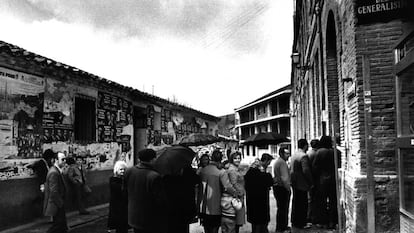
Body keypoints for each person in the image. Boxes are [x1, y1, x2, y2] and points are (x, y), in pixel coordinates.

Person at [125, 148, 167, 233]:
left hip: (133, 216)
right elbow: (160, 200)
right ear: (152, 159)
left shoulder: (129, 171)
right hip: (150, 219)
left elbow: (124, 191)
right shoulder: (154, 176)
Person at [312, 135, 340, 229]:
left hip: (322, 180)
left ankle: (323, 222)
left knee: (322, 202)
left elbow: (315, 167)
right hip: (334, 179)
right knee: (333, 201)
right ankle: (332, 221)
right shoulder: (336, 152)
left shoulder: (319, 152)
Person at [164, 165, 200, 233]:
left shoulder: (167, 177)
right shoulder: (187, 174)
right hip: (185, 208)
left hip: (173, 208)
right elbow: (197, 179)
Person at [244, 154, 274, 233]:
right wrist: (268, 174)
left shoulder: (251, 171)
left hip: (252, 200)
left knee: (255, 223)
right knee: (260, 223)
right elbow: (269, 181)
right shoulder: (262, 172)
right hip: (260, 201)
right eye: (268, 162)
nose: (269, 164)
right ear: (266, 161)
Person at [198, 149, 224, 233]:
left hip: (205, 205)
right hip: (217, 205)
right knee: (215, 228)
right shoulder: (221, 171)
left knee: (207, 227)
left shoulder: (203, 171)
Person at [220, 152, 246, 233]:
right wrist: (240, 193)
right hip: (236, 197)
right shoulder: (232, 170)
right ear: (232, 159)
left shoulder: (235, 168)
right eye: (235, 158)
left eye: (239, 158)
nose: (237, 160)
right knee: (235, 221)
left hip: (237, 196)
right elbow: (234, 183)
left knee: (236, 221)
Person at [290, 139, 313, 229]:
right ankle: (302, 223)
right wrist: (310, 181)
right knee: (303, 204)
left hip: (294, 182)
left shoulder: (294, 155)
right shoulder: (303, 156)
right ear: (305, 145)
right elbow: (306, 170)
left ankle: (295, 221)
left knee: (296, 203)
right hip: (302, 183)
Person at [44, 152, 68, 233]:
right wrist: (60, 204)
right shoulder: (54, 172)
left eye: (65, 159)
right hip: (57, 204)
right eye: (62, 159)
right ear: (56, 160)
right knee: (58, 226)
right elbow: (54, 191)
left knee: (61, 226)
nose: (65, 161)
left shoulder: (57, 170)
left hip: (59, 203)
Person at [273, 147, 291, 233]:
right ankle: (282, 227)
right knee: (283, 208)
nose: (288, 155)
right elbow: (285, 178)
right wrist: (288, 188)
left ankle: (280, 227)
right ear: (281, 154)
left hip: (278, 187)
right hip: (282, 188)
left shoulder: (277, 162)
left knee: (281, 208)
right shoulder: (282, 163)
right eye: (286, 153)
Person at [108, 160, 129, 233]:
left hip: (125, 205)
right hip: (116, 205)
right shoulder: (113, 179)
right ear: (117, 170)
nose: (123, 171)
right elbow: (119, 190)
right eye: (121, 169)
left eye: (124, 169)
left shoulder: (126, 179)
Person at [307, 139, 320, 225]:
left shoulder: (308, 153)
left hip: (309, 179)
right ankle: (313, 217)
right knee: (315, 199)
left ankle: (309, 216)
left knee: (310, 199)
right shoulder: (316, 154)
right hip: (315, 179)